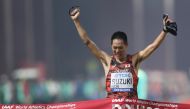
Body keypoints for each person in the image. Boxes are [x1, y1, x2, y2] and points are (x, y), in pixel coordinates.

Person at [69, 6, 177, 99]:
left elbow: (153, 47)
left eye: (120, 48)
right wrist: (76, 21)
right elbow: (87, 42)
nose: (117, 51)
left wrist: (164, 31)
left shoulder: (134, 60)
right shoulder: (107, 60)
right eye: (114, 47)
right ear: (111, 46)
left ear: (126, 45)